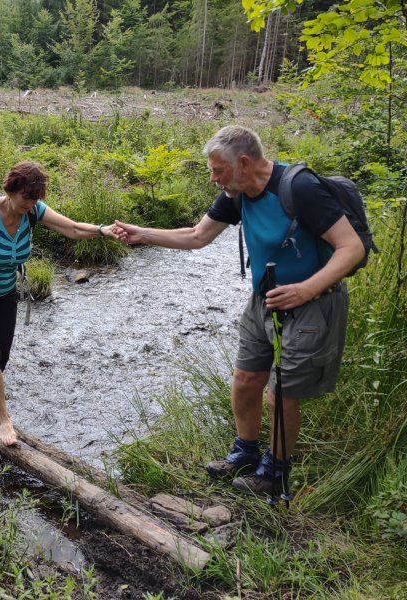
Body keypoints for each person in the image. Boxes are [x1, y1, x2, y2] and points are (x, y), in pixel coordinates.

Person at [112, 126, 364, 496]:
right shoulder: (237, 192)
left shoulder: (300, 189)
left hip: (312, 304)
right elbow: (197, 236)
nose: (214, 179)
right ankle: (245, 452)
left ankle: (275, 473)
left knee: (281, 394)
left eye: (218, 170)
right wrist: (142, 234)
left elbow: (351, 247)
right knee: (246, 379)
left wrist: (305, 289)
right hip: (263, 301)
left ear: (244, 162)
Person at [0, 160, 117, 446]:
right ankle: (5, 419)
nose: (30, 204)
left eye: (35, 198)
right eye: (25, 197)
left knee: (1, 358)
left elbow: (74, 229)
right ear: (10, 190)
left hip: (6, 292)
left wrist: (104, 230)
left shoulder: (34, 212)